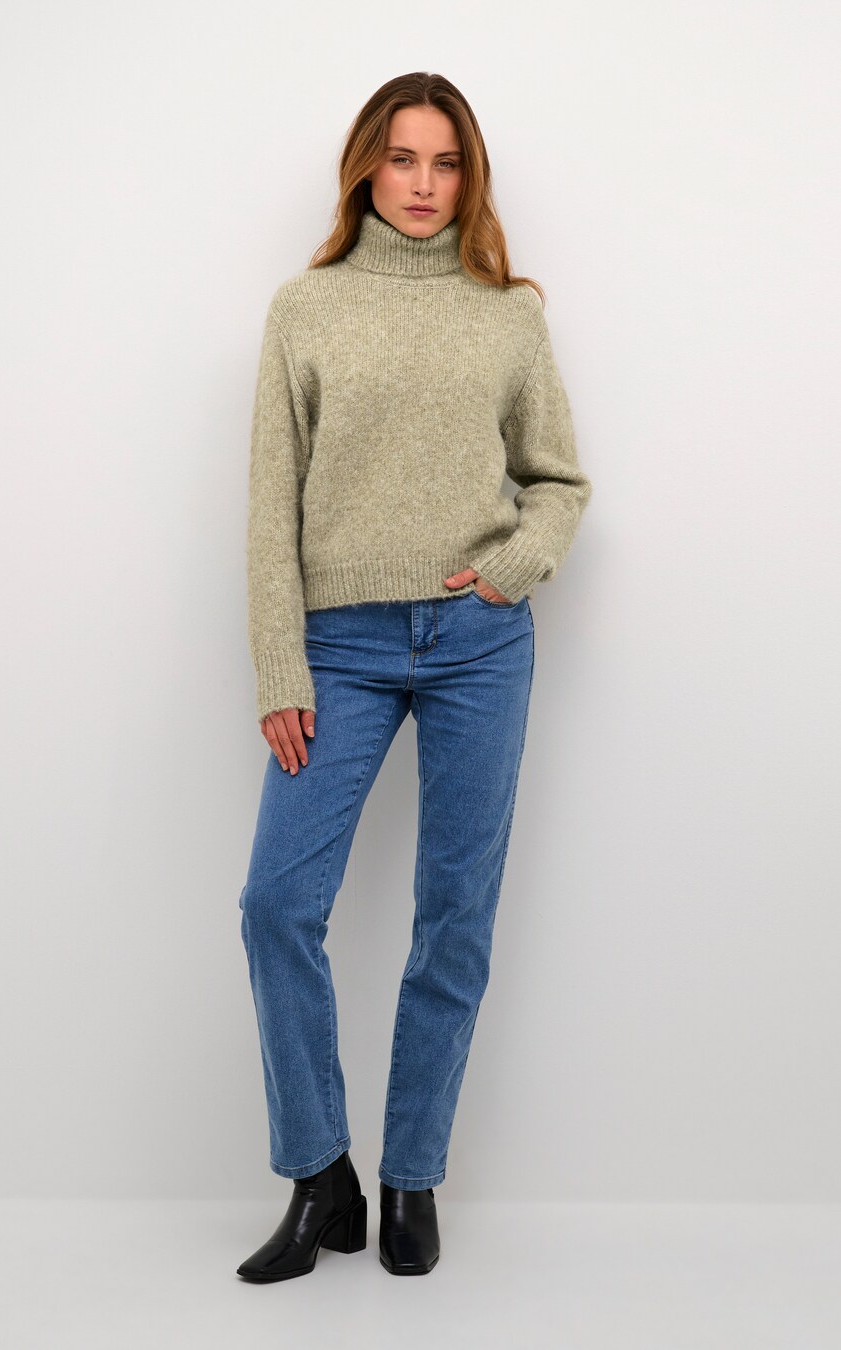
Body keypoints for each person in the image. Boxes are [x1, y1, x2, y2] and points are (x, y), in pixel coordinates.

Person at [235, 71, 592, 1283]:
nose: (424, 184)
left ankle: (412, 1177)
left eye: (446, 163)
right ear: (365, 169)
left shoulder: (508, 315)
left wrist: (513, 569)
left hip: (479, 643)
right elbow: (270, 505)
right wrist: (280, 662)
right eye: (402, 159)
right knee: (276, 906)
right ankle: (319, 1174)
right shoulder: (306, 308)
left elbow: (558, 481)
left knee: (454, 918)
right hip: (339, 646)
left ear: (468, 176)